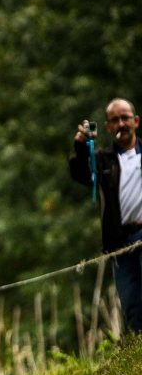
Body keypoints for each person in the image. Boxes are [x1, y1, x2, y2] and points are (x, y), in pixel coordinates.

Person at [69, 98, 142, 332]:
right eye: (115, 120)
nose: (121, 124)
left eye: (125, 118)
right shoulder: (103, 160)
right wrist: (81, 145)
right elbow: (80, 172)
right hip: (120, 242)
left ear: (136, 121)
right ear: (108, 127)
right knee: (132, 303)